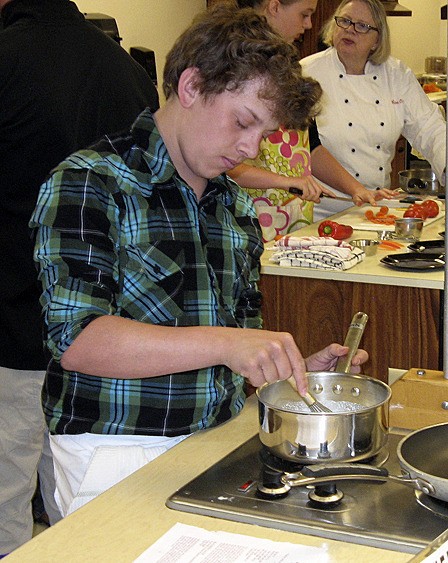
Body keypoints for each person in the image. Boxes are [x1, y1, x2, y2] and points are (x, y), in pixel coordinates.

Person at [30, 4, 368, 519]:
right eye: (243, 122)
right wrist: (231, 343)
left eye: (265, 133)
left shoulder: (231, 202)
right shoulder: (89, 184)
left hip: (217, 440)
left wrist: (280, 369)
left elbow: (233, 336)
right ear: (191, 87)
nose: (250, 147)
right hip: (115, 453)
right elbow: (77, 340)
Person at [0, 0, 159, 555]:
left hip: (14, 321)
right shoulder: (129, 71)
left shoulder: (7, 59)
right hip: (104, 337)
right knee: (80, 509)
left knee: (5, 504)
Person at [229, 0, 397, 237]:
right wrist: (284, 181)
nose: (309, 25)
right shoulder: (236, 67)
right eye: (304, 14)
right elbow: (223, 164)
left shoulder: (288, 68)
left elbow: (312, 147)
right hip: (249, 219)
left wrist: (357, 189)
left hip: (292, 219)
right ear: (274, 7)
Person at [300, 0, 446, 217]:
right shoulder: (305, 73)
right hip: (319, 210)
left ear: (377, 40)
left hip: (375, 208)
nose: (350, 30)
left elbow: (430, 128)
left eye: (362, 26)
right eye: (345, 21)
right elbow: (307, 149)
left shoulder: (396, 75)